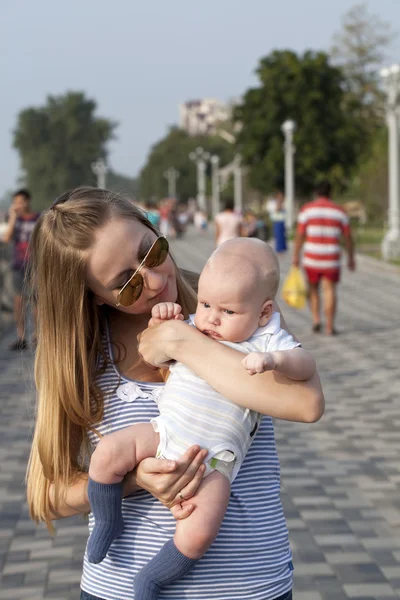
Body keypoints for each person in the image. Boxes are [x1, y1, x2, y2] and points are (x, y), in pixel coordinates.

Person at [26, 187, 324, 600]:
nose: (152, 280)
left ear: (154, 228)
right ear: (93, 298)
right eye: (126, 283)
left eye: (150, 252)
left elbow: (307, 403)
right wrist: (134, 479)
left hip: (248, 584)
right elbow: (47, 496)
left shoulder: (233, 304)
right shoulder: (81, 357)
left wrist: (182, 342)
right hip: (120, 588)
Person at [86, 239, 316, 599]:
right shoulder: (196, 323)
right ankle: (108, 519)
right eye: (206, 305)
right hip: (164, 432)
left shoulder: (266, 337)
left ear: (263, 312)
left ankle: (152, 580)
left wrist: (276, 362)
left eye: (152, 251)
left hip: (214, 461)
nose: (210, 317)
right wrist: (169, 322)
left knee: (199, 530)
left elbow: (306, 375)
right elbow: (160, 356)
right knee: (107, 454)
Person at [292, 180, 355, 335]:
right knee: (329, 290)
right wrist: (351, 257)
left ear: (316, 193)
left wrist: (295, 255)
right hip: (331, 258)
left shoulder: (307, 210)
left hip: (312, 257)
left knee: (313, 289)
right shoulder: (339, 212)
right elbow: (348, 237)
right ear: (330, 193)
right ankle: (329, 326)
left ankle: (316, 319)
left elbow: (300, 234)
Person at [3, 189, 40, 350]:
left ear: (27, 201)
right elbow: (7, 238)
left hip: (35, 266)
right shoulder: (14, 220)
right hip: (18, 265)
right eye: (15, 202)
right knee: (18, 303)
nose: (18, 205)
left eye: (20, 201)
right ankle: (21, 337)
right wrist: (12, 217)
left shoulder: (38, 219)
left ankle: (37, 335)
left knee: (36, 303)